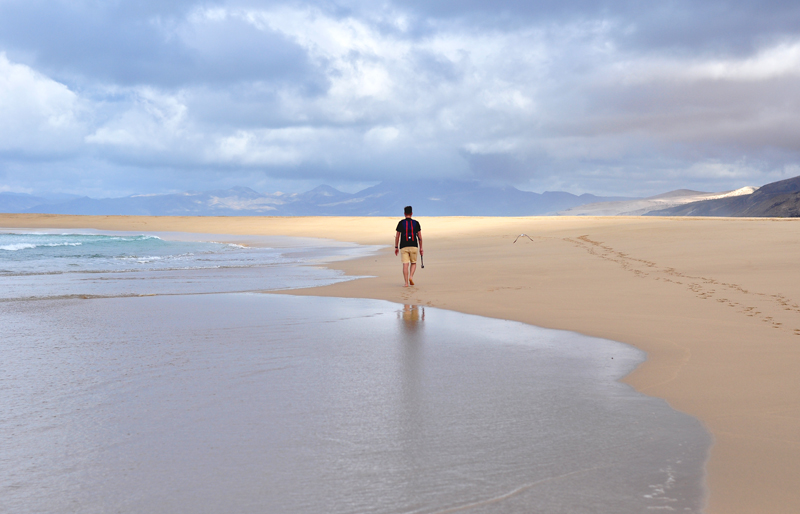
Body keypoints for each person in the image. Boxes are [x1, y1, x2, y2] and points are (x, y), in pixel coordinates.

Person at [394, 206, 423, 287]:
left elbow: (397, 236)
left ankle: (406, 283)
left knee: (405, 264)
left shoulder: (401, 223)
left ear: (404, 214)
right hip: (414, 245)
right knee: (413, 263)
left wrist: (396, 247)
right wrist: (421, 248)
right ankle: (411, 276)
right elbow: (420, 237)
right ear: (412, 213)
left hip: (403, 246)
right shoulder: (416, 223)